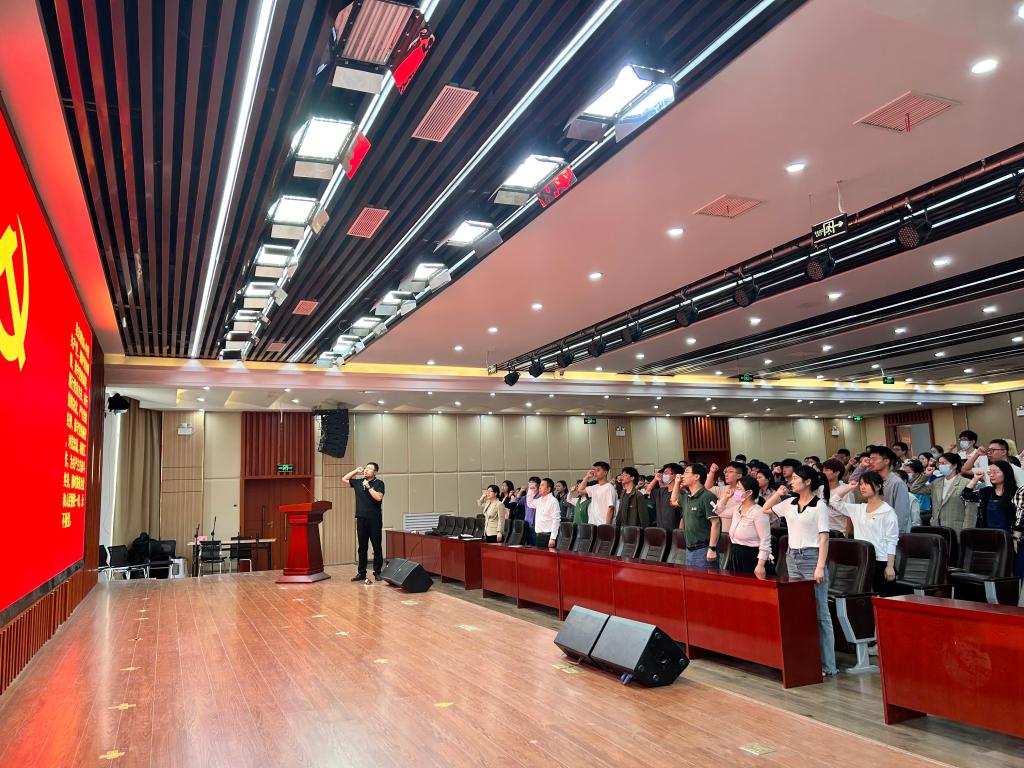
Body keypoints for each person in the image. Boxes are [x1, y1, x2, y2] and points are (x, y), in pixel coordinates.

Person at [762, 467, 836, 676]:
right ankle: (807, 659)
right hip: (792, 556)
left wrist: (820, 566)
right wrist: (778, 494)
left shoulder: (819, 505)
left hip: (812, 557)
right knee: (800, 610)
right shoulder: (790, 503)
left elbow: (824, 538)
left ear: (808, 482)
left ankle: (828, 664)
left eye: (796, 478)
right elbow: (765, 509)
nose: (791, 481)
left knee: (820, 612)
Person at [834, 471, 899, 595]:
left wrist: (890, 566)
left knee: (884, 597)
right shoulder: (858, 509)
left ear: (878, 486)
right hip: (861, 559)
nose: (862, 487)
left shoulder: (888, 511)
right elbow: (834, 501)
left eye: (867, 484)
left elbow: (892, 540)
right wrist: (849, 488)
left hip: (881, 560)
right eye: (861, 484)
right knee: (863, 597)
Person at [669, 463, 720, 567]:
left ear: (697, 476)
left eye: (686, 472)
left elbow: (716, 523)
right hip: (689, 549)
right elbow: (673, 501)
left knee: (705, 577)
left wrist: (712, 548)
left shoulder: (707, 496)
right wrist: (677, 483)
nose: (682, 476)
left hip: (704, 549)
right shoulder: (686, 496)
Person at [850, 446, 911, 533]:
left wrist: (897, 534)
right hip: (875, 529)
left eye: (874, 459)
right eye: (870, 459)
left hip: (891, 532)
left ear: (886, 461)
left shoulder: (897, 483)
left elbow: (901, 513)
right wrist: (862, 466)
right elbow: (852, 482)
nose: (871, 462)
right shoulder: (872, 479)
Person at [342, 462, 385, 581]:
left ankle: (377, 572)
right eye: (365, 468)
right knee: (362, 547)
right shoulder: (358, 482)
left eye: (369, 468)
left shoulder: (379, 483)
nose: (366, 470)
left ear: (375, 472)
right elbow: (344, 479)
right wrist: (356, 471)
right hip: (361, 519)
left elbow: (378, 497)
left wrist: (369, 487)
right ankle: (361, 573)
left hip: (374, 519)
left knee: (377, 547)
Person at [725, 475, 771, 578]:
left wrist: (760, 565)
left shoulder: (759, 512)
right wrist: (726, 497)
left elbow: (765, 540)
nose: (735, 492)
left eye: (738, 489)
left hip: (751, 555)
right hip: (735, 552)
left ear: (749, 492)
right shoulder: (737, 508)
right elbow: (719, 512)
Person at [962, 459, 1018, 531]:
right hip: (987, 534)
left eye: (995, 472)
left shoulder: (1017, 492)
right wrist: (975, 479)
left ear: (1006, 473)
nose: (991, 475)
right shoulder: (987, 491)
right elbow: (965, 496)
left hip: (1008, 535)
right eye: (990, 472)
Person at [930, 452, 974, 533]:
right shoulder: (936, 482)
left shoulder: (966, 482)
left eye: (944, 463)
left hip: (956, 528)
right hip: (937, 527)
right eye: (939, 464)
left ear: (954, 465)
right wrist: (926, 475)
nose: (941, 466)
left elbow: (971, 511)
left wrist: (967, 531)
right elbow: (915, 489)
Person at [645, 463, 682, 536]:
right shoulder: (661, 491)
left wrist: (680, 532)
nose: (663, 475)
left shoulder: (681, 493)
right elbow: (648, 491)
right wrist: (655, 479)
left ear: (675, 476)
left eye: (666, 473)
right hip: (661, 531)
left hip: (674, 531)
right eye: (663, 473)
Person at [575, 461, 617, 526]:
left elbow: (611, 508)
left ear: (605, 472)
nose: (595, 472)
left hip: (603, 525)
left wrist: (606, 527)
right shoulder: (595, 487)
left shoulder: (609, 488)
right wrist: (587, 476)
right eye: (594, 470)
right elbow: (580, 490)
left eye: (598, 470)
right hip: (593, 525)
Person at [821, 458, 853, 536]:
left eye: (826, 470)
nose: (823, 472)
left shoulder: (846, 490)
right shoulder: (820, 489)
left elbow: (850, 515)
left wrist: (847, 535)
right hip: (823, 531)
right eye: (823, 470)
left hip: (840, 533)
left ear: (836, 473)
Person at [533, 478, 561, 549]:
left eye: (542, 485)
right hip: (538, 534)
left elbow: (556, 520)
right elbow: (529, 503)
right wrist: (531, 490)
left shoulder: (553, 501)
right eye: (540, 485)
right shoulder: (539, 500)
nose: (539, 487)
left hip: (547, 535)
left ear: (548, 489)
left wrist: (553, 538)